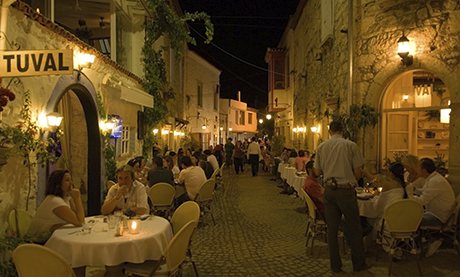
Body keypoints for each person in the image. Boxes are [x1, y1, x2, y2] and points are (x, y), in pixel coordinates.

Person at [313, 120, 368, 273]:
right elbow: (358, 173)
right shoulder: (351, 146)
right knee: (354, 228)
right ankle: (358, 264)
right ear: (343, 130)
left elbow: (316, 172)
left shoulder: (322, 147)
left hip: (329, 190)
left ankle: (335, 265)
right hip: (345, 190)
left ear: (330, 131)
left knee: (332, 229)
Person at [412, 158, 455, 257]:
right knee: (414, 216)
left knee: (413, 219)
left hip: (439, 217)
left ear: (424, 170)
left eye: (418, 167)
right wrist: (414, 190)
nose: (416, 170)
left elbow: (422, 200)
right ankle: (425, 242)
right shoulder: (433, 178)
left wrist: (409, 197)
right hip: (439, 213)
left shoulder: (435, 181)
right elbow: (425, 191)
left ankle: (420, 245)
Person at [28, 170, 85, 239]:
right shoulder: (55, 201)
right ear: (58, 184)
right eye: (67, 180)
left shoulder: (65, 198)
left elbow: (76, 216)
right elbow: (80, 222)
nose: (71, 183)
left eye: (71, 180)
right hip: (37, 242)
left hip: (49, 237)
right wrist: (77, 198)